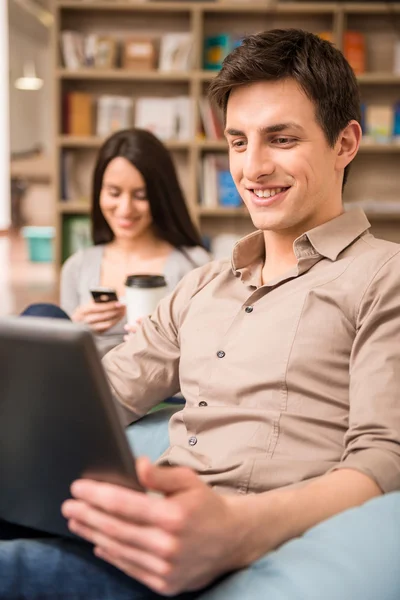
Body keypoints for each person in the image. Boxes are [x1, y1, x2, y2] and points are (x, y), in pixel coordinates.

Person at [2, 28, 400, 600]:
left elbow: (384, 458)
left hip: (219, 551)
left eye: (281, 139)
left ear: (345, 143)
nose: (253, 168)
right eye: (238, 142)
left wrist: (239, 532)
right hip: (134, 524)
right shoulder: (203, 284)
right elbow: (106, 391)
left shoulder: (382, 277)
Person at [60, 128, 210, 356]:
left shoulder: (193, 264)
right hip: (89, 386)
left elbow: (211, 353)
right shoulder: (77, 266)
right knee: (41, 314)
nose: (125, 209)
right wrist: (72, 330)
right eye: (114, 193)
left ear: (160, 197)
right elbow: (61, 359)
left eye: (141, 196)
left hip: (160, 386)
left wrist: (167, 342)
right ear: (99, 193)